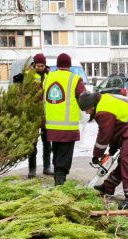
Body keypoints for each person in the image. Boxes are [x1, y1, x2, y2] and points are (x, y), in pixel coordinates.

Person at [77, 91, 128, 209]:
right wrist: (113, 147)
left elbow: (104, 135)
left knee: (127, 160)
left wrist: (97, 155)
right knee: (124, 160)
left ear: (92, 106)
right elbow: (115, 127)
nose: (86, 113)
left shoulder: (103, 111)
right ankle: (108, 187)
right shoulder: (103, 99)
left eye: (86, 110)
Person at [42, 53, 86, 185]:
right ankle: (60, 182)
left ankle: (58, 178)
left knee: (56, 152)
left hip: (51, 126)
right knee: (65, 155)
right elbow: (84, 98)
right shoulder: (75, 79)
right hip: (68, 126)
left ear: (58, 64)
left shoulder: (48, 78)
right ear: (69, 65)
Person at [27, 53, 54, 178]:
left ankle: (47, 167)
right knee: (32, 143)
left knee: (47, 142)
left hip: (46, 114)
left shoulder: (50, 75)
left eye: (42, 65)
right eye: (38, 65)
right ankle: (32, 169)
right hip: (32, 114)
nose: (40, 67)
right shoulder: (29, 75)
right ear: (34, 64)